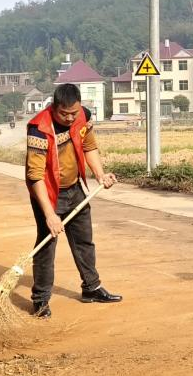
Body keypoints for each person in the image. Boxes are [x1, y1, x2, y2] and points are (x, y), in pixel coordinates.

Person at [25, 83, 121, 318]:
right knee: (47, 246)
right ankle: (40, 300)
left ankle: (91, 288)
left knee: (84, 241)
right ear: (54, 107)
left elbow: (89, 147)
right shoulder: (39, 128)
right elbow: (35, 175)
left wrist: (100, 175)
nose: (69, 118)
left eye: (74, 113)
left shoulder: (83, 116)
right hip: (49, 194)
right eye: (64, 113)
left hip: (75, 188)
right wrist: (50, 214)